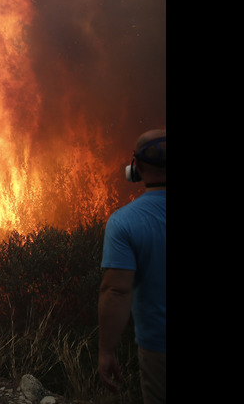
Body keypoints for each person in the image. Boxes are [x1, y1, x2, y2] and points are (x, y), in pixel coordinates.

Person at [98, 129, 166, 403]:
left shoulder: (125, 222)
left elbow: (117, 291)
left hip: (158, 348)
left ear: (135, 167)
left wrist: (106, 351)